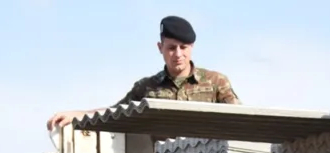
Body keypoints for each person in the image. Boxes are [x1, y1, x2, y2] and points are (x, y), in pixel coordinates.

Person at [46, 15, 241, 132]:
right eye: (171, 48)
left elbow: (242, 121)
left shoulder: (216, 83)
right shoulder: (147, 88)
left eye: (184, 47)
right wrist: (78, 115)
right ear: (160, 48)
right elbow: (115, 114)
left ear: (192, 47)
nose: (178, 54)